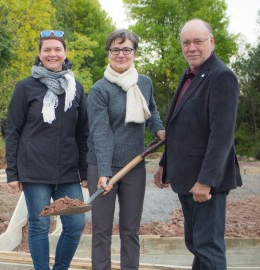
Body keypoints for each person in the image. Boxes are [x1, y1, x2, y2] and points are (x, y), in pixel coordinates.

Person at [154, 19, 242, 270]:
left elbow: (222, 135)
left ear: (211, 42)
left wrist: (206, 181)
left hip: (205, 181)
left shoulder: (221, 77)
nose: (191, 47)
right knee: (196, 243)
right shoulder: (190, 74)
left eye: (198, 42)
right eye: (186, 42)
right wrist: (164, 164)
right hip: (186, 177)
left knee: (208, 247)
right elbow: (178, 127)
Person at [5, 30, 88, 270]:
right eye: (47, 50)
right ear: (40, 55)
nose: (52, 54)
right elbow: (13, 131)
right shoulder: (25, 88)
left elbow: (83, 132)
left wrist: (84, 171)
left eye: (57, 49)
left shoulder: (76, 88)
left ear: (65, 53)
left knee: (75, 225)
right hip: (35, 170)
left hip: (69, 172)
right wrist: (13, 172)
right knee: (39, 224)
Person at [86, 29, 165, 270]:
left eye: (127, 49)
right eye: (115, 49)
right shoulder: (99, 90)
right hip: (102, 167)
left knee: (131, 230)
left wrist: (159, 129)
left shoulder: (144, 83)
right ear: (108, 53)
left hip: (134, 167)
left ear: (134, 52)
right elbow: (101, 133)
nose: (121, 54)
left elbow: (150, 109)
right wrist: (103, 170)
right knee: (101, 229)